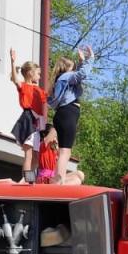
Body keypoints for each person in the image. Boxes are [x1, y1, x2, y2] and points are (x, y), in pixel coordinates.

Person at [48, 44, 93, 180]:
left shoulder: (61, 78)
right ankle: (58, 181)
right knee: (65, 151)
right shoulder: (67, 76)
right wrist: (90, 59)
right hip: (67, 115)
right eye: (73, 67)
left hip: (63, 115)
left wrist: (81, 62)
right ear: (67, 68)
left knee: (64, 150)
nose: (74, 70)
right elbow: (82, 74)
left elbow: (77, 76)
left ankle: (58, 179)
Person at [9, 48, 47, 183]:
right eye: (38, 74)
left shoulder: (39, 90)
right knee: (29, 154)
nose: (40, 77)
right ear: (31, 73)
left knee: (36, 156)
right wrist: (13, 62)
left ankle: (29, 179)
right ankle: (27, 180)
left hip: (37, 124)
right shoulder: (24, 86)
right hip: (28, 121)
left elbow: (49, 97)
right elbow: (15, 79)